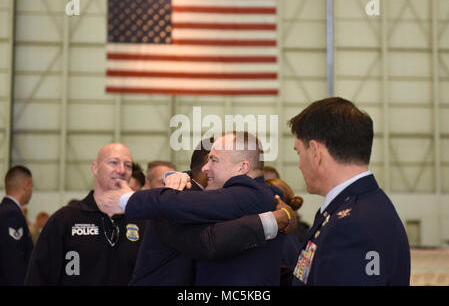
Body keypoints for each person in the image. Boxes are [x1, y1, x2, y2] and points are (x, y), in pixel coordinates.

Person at [96, 132, 286, 286]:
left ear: (242, 167)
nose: (206, 167)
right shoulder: (263, 196)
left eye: (214, 160)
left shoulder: (250, 194)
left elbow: (206, 239)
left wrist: (128, 199)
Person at [288, 97, 410, 285]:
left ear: (315, 152)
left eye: (299, 153)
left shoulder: (351, 227)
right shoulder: (361, 206)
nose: (299, 165)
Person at [25, 143, 147, 285]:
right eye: (113, 162)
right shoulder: (65, 220)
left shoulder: (142, 222)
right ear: (95, 168)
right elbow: (39, 276)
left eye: (128, 165)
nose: (121, 170)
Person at [0, 165, 34, 285]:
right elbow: (14, 261)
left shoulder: (4, 210)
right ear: (26, 185)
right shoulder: (12, 214)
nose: (31, 191)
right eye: (32, 186)